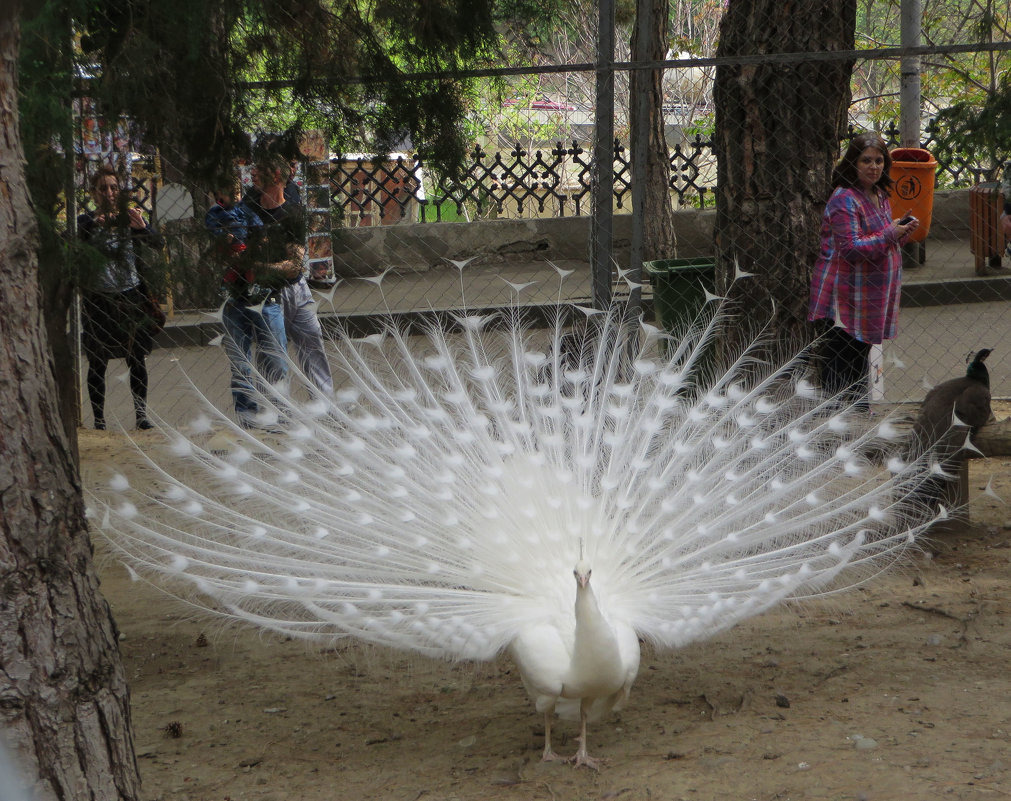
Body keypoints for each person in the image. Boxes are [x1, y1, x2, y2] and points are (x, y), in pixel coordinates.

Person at [809, 133, 919, 407]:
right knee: (842, 357)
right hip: (846, 294)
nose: (873, 166)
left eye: (879, 161)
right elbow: (851, 249)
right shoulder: (844, 198)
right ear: (852, 163)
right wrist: (890, 233)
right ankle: (834, 418)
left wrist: (901, 231)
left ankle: (856, 415)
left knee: (860, 355)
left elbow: (880, 237)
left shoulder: (878, 194)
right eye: (866, 160)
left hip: (869, 294)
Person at [78, 165, 165, 430]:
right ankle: (100, 420)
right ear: (93, 193)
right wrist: (95, 226)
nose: (109, 192)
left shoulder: (130, 216)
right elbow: (73, 244)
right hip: (99, 300)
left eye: (114, 187)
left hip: (131, 295)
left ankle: (141, 415)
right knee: (97, 361)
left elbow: (157, 244)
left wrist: (142, 227)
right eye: (103, 188)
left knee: (136, 357)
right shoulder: (85, 222)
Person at [241, 151, 334, 398]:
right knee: (273, 355)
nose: (254, 173)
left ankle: (325, 405)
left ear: (277, 175)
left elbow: (295, 265)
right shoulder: (249, 209)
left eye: (260, 170)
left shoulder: (293, 213)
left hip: (296, 290)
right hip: (267, 295)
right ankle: (277, 414)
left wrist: (260, 267)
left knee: (312, 344)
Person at [205, 181, 290, 430]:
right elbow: (213, 242)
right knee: (240, 364)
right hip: (234, 295)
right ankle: (247, 417)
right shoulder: (215, 215)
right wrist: (226, 244)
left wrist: (254, 250)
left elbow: (263, 237)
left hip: (264, 294)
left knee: (276, 359)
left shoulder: (252, 212)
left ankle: (280, 413)